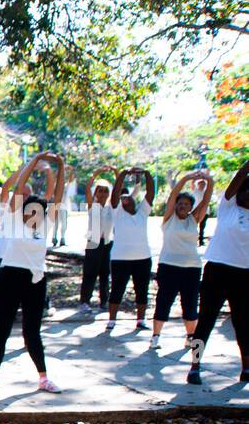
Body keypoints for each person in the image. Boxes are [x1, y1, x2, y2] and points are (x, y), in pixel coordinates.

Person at [0, 151, 65, 393]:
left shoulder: (45, 224)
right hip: (11, 275)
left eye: (38, 212)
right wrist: (35, 161)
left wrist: (59, 166)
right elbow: (20, 186)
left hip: (35, 279)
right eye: (30, 210)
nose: (34, 215)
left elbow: (57, 195)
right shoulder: (12, 220)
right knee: (2, 326)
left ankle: (43, 378)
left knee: (32, 330)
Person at [187, 157, 248, 385]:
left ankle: (246, 367)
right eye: (246, 191)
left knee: (244, 323)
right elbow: (238, 179)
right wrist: (246, 167)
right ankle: (195, 366)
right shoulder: (228, 207)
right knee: (206, 321)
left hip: (244, 275)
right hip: (218, 270)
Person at [152, 171, 213, 349]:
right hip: (169, 266)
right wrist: (186, 179)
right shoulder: (169, 220)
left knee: (190, 303)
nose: (182, 206)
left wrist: (209, 181)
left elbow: (206, 201)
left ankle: (190, 337)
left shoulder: (194, 220)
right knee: (164, 301)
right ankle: (156, 336)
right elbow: (172, 196)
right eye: (180, 203)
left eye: (186, 204)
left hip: (191, 268)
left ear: (190, 207)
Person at [106, 167, 156, 331]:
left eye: (129, 198)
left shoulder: (142, 211)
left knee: (142, 290)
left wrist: (146, 174)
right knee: (117, 290)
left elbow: (150, 193)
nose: (126, 199)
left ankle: (141, 320)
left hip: (142, 258)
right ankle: (112, 320)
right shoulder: (117, 213)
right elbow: (115, 194)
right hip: (120, 259)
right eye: (123, 198)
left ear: (136, 202)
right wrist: (123, 174)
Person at [80, 168, 115, 312]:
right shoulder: (92, 206)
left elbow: (118, 190)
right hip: (93, 242)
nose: (103, 194)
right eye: (100, 191)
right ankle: (85, 301)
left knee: (105, 273)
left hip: (107, 242)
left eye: (105, 191)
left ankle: (104, 302)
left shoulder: (111, 207)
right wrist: (96, 173)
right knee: (89, 273)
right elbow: (87, 188)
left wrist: (116, 172)